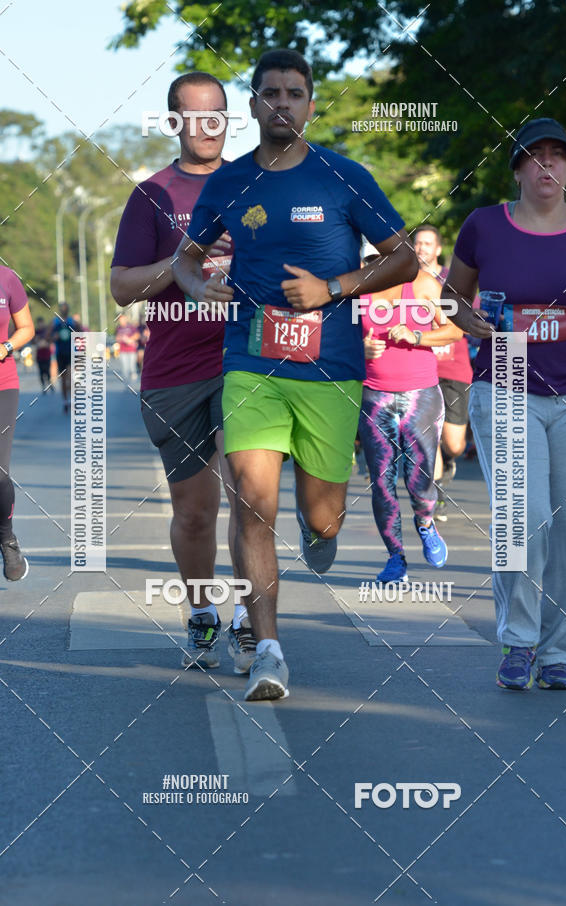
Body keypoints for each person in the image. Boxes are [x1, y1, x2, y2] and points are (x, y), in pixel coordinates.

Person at [173, 49, 418, 701]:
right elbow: (186, 258)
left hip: (330, 370)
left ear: (310, 104)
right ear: (253, 105)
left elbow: (403, 260)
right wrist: (198, 287)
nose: (282, 102)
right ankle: (269, 651)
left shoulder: (344, 176)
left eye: (294, 93)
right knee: (253, 503)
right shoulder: (229, 183)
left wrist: (332, 287)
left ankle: (320, 526)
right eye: (271, 92)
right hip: (250, 364)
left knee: (323, 515)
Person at [445, 117, 566, 691]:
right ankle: (518, 640)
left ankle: (558, 651)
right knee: (523, 518)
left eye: (558, 155)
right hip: (507, 374)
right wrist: (469, 321)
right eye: (535, 155)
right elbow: (452, 297)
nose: (547, 164)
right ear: (517, 170)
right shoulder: (484, 225)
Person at [111, 72, 252, 674]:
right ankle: (201, 610)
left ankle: (249, 619)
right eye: (194, 116)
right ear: (174, 122)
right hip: (176, 371)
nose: (208, 125)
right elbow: (121, 288)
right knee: (195, 511)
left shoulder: (255, 184)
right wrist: (180, 261)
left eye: (217, 113)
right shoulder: (151, 196)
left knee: (251, 498)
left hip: (246, 361)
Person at [360, 266, 461, 582]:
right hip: (374, 396)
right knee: (382, 480)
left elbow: (454, 330)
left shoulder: (423, 284)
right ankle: (395, 558)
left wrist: (416, 336)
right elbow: (336, 339)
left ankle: (426, 521)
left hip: (421, 395)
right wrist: (360, 349)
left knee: (420, 478)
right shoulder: (359, 284)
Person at [413, 225, 473, 521]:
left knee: (454, 443)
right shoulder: (407, 281)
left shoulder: (454, 280)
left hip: (455, 369)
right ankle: (434, 494)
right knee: (429, 433)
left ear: (438, 249)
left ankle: (447, 462)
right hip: (422, 369)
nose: (421, 248)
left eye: (427, 243)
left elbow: (471, 318)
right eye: (417, 243)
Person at [0, 267, 34, 580]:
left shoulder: (7, 278)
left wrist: (6, 347)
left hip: (3, 384)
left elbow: (26, 328)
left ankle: (7, 539)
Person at [49, 302, 77, 413]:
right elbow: (47, 337)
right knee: (63, 379)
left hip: (71, 352)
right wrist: (53, 337)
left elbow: (81, 333)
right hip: (60, 353)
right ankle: (65, 401)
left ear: (68, 310)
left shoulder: (72, 321)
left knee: (70, 377)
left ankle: (72, 400)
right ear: (59, 310)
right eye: (62, 308)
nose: (64, 310)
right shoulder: (55, 322)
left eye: (65, 308)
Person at [114, 313, 140, 384]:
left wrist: (130, 340)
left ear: (125, 319)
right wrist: (121, 338)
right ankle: (126, 382)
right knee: (125, 367)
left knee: (132, 366)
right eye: (120, 320)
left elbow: (137, 335)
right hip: (123, 350)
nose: (121, 321)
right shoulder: (118, 328)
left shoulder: (131, 327)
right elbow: (116, 338)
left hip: (131, 349)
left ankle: (134, 382)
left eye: (122, 319)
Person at [33, 316, 53, 391]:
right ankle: (43, 387)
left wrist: (46, 343)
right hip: (39, 355)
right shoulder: (36, 332)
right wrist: (37, 341)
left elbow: (50, 340)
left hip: (47, 355)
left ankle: (50, 385)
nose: (40, 325)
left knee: (47, 371)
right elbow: (33, 342)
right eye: (39, 323)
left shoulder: (46, 331)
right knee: (41, 372)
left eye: (41, 323)